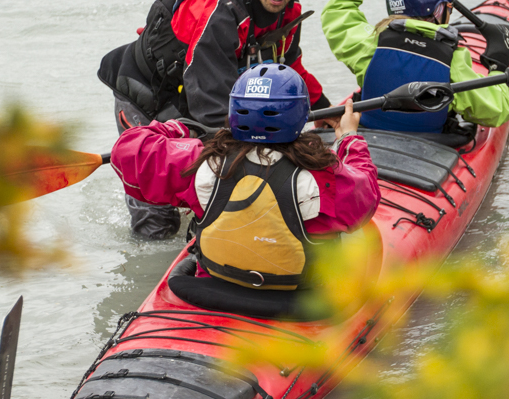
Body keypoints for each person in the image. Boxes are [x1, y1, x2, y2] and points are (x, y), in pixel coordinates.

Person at [99, 0, 332, 239]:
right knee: (157, 220)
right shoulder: (215, 6)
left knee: (214, 185)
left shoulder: (288, 14)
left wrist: (325, 110)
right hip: (146, 99)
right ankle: (147, 271)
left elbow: (291, 69)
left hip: (195, 100)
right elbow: (211, 105)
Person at [110, 63, 378, 293]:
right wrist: (349, 138)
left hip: (216, 286)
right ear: (299, 116)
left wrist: (175, 128)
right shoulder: (323, 176)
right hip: (298, 297)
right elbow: (366, 197)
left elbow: (127, 149)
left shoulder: (200, 162)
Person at [320, 0, 509, 134]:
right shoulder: (454, 60)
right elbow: (497, 112)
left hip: (368, 137)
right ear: (439, 10)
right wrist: (498, 68)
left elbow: (336, 11)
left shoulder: (371, 44)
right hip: (428, 150)